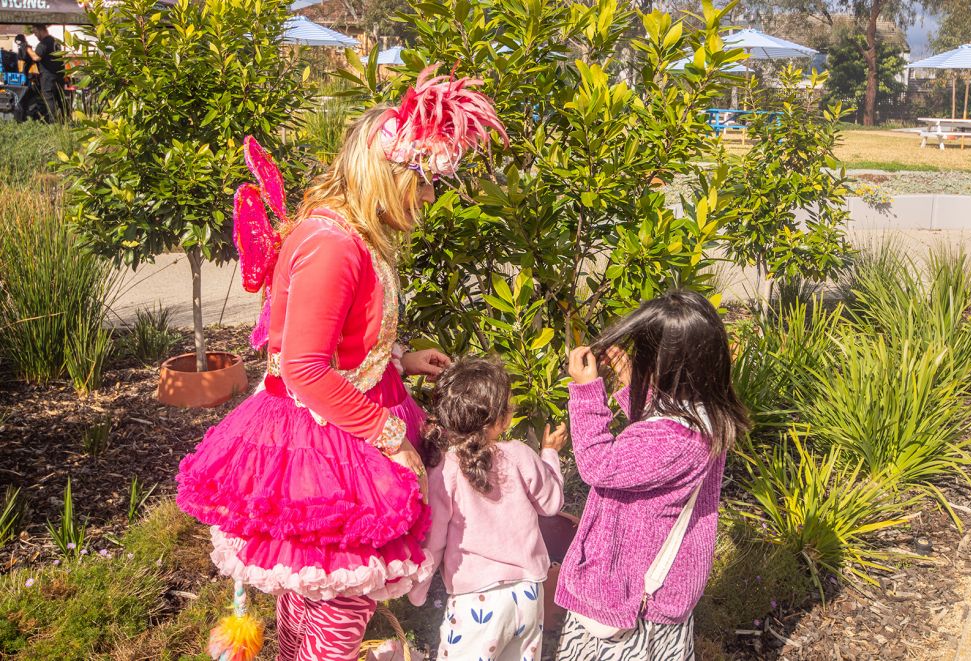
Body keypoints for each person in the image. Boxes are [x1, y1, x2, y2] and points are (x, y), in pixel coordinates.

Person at [176, 65, 507, 661]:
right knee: (338, 606)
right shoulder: (335, 245)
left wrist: (399, 359)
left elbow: (330, 340)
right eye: (426, 181)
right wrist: (390, 438)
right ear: (389, 174)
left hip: (334, 427)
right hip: (327, 445)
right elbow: (304, 367)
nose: (431, 197)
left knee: (313, 599)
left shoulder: (350, 233)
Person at [554, 290, 750, 661]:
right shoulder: (704, 415)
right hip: (658, 588)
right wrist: (631, 386)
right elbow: (647, 451)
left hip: (633, 600)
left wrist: (586, 392)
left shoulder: (674, 438)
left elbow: (599, 464)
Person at [408, 358, 567, 661]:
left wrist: (418, 589)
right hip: (528, 594)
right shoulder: (521, 454)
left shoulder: (445, 469)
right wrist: (549, 454)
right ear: (501, 418)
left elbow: (435, 538)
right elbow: (551, 503)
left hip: (476, 600)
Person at [25, 25, 66, 122]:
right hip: (59, 75)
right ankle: (65, 121)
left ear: (41, 30)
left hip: (48, 76)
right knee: (60, 99)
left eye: (35, 32)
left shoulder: (44, 43)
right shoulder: (55, 41)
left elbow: (36, 57)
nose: (35, 35)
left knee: (49, 98)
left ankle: (53, 123)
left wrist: (27, 48)